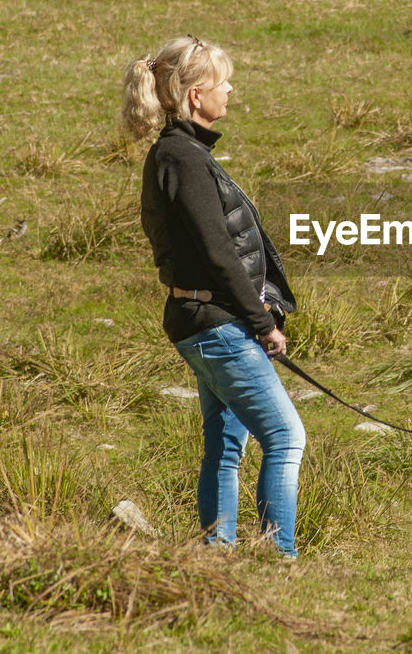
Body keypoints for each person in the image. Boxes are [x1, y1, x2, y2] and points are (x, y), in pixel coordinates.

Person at [122, 35, 303, 558]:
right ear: (196, 96)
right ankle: (277, 557)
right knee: (286, 438)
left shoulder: (181, 154)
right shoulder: (182, 158)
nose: (230, 89)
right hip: (216, 324)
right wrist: (262, 322)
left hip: (204, 319)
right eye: (222, 82)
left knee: (225, 446)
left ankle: (218, 555)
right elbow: (219, 252)